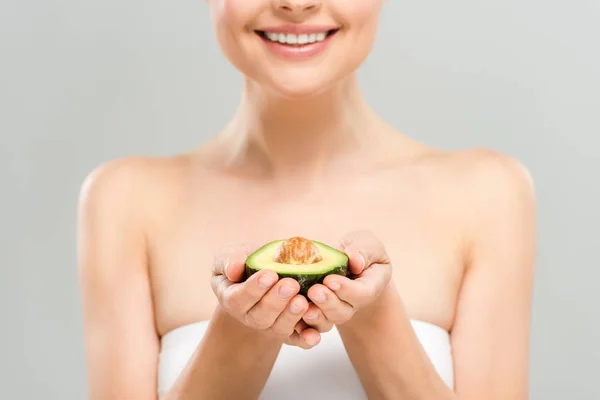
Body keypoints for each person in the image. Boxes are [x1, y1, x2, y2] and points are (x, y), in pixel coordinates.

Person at [77, 0, 537, 399]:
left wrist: (374, 322)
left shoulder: (489, 195)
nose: (296, 4)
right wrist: (241, 332)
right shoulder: (123, 203)